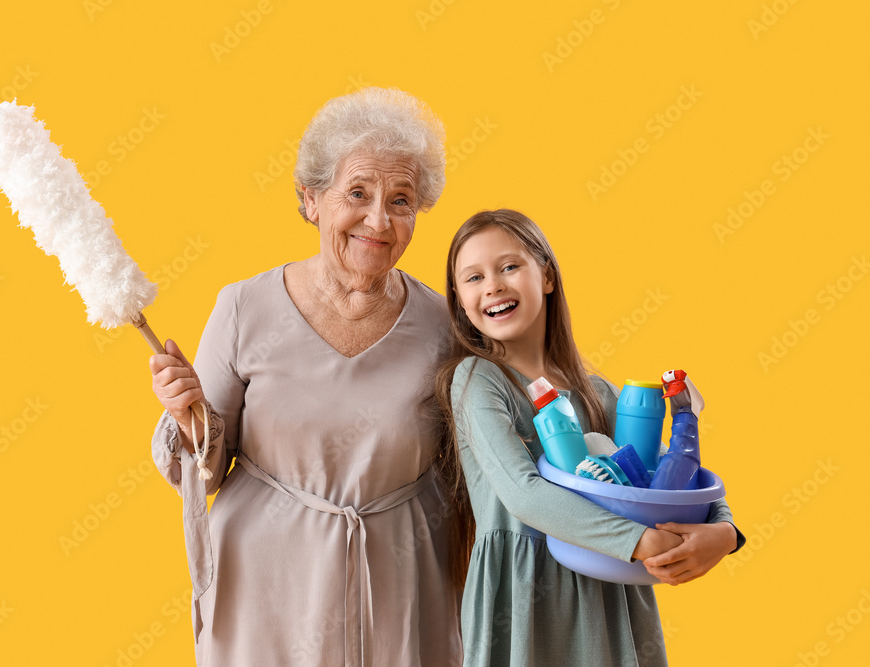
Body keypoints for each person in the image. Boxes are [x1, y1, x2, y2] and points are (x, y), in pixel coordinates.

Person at [148, 87, 463, 666]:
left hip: (401, 589)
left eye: (401, 200)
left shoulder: (445, 325)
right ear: (310, 199)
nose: (379, 220)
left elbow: (476, 469)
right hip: (266, 588)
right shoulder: (244, 308)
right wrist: (186, 413)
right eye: (358, 193)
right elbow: (206, 469)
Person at [434, 209, 746, 666]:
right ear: (461, 302)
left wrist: (724, 530)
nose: (493, 286)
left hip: (610, 603)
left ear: (546, 276)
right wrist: (637, 541)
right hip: (523, 604)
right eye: (474, 277)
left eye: (508, 267)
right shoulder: (478, 380)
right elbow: (524, 494)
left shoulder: (599, 394)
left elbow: (672, 473)